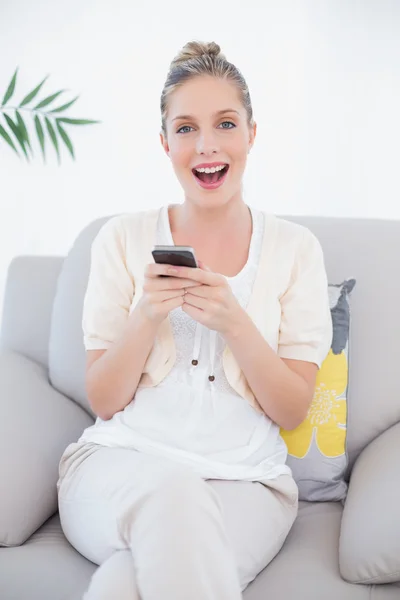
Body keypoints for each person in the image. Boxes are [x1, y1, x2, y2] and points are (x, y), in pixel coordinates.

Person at [57, 40, 332, 600]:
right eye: (185, 128)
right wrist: (145, 317)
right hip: (118, 467)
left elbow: (292, 407)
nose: (206, 145)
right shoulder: (121, 239)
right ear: (164, 143)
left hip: (247, 483)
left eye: (225, 123)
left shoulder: (297, 249)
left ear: (251, 134)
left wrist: (236, 324)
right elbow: (104, 400)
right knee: (172, 493)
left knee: (121, 585)